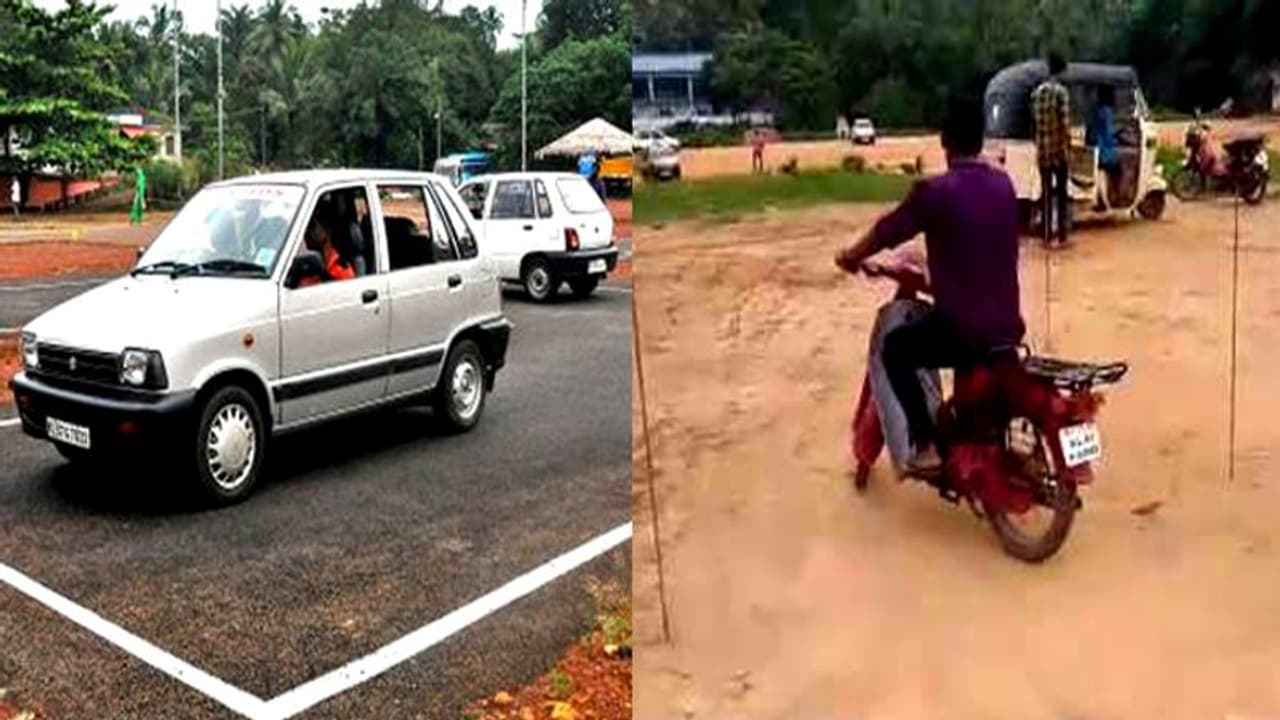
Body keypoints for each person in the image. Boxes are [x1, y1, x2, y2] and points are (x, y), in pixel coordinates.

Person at [834, 94, 1024, 474]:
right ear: (980, 138)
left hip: (964, 330)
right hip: (1008, 326)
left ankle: (924, 444)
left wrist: (851, 256)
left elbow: (885, 232)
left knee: (895, 350)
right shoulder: (1004, 185)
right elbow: (976, 247)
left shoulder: (936, 193)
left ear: (944, 140)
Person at [1032, 52, 1071, 247]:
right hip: (1058, 151)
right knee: (1062, 194)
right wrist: (1068, 146)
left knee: (1046, 193)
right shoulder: (1061, 93)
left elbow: (1036, 124)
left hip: (1042, 152)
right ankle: (1062, 236)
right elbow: (1064, 124)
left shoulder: (1037, 93)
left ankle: (1047, 237)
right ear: (1061, 70)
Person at [298, 199, 355, 287]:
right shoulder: (304, 266)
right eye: (305, 227)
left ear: (327, 229)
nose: (306, 232)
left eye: (311, 226)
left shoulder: (342, 269)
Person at [1090, 85, 1120, 204]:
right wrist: (1116, 139)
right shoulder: (1107, 111)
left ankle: (1104, 196)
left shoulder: (1095, 110)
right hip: (1105, 151)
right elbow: (1110, 131)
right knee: (1118, 169)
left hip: (1096, 148)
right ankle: (1115, 196)